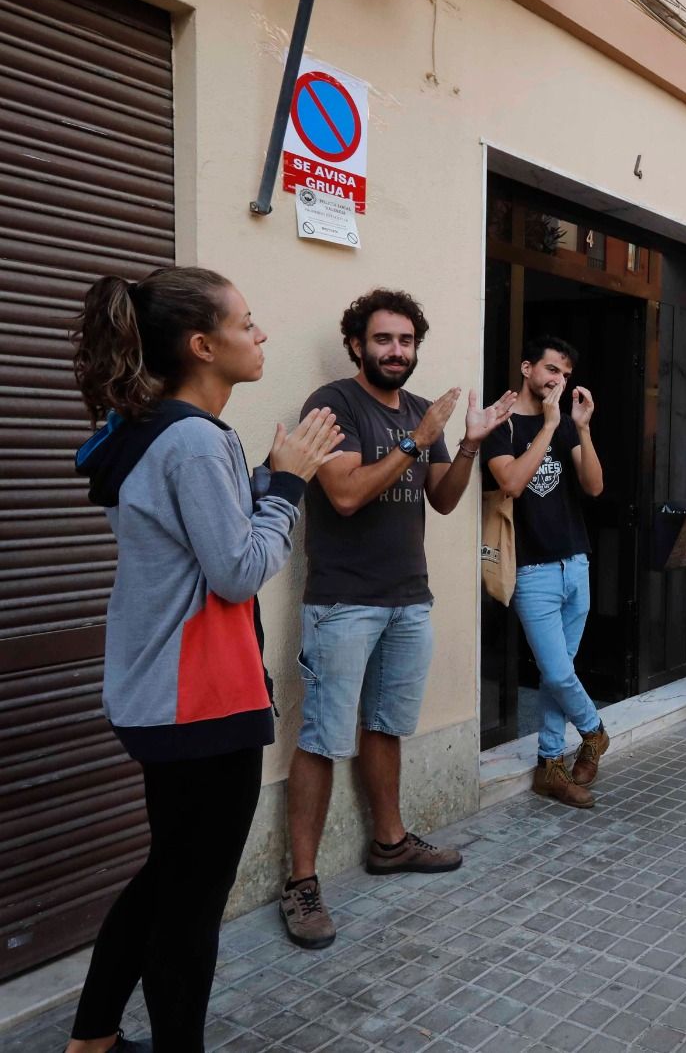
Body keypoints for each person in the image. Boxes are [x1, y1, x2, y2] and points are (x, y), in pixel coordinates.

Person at [67, 267, 342, 1053]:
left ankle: (91, 1037)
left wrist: (267, 475)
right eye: (247, 324)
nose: (260, 337)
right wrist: (288, 487)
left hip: (165, 694)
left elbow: (203, 536)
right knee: (192, 899)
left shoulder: (163, 429)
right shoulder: (193, 437)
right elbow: (236, 570)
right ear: (201, 345)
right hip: (200, 702)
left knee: (168, 876)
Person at [282, 290, 515, 950]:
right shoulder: (333, 404)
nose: (396, 352)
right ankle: (301, 881)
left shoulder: (420, 411)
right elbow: (347, 493)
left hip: (409, 596)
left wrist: (465, 444)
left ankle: (388, 842)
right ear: (357, 343)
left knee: (386, 725)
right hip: (342, 599)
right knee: (325, 736)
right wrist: (417, 441)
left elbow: (442, 501)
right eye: (383, 339)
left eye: (407, 341)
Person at [483, 335, 608, 806]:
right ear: (527, 367)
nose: (559, 379)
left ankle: (549, 766)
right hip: (531, 569)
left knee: (563, 672)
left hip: (575, 561)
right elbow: (512, 482)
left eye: (565, 374)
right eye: (552, 369)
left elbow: (594, 487)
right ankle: (595, 730)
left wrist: (581, 428)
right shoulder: (501, 424)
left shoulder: (566, 426)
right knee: (556, 672)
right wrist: (550, 424)